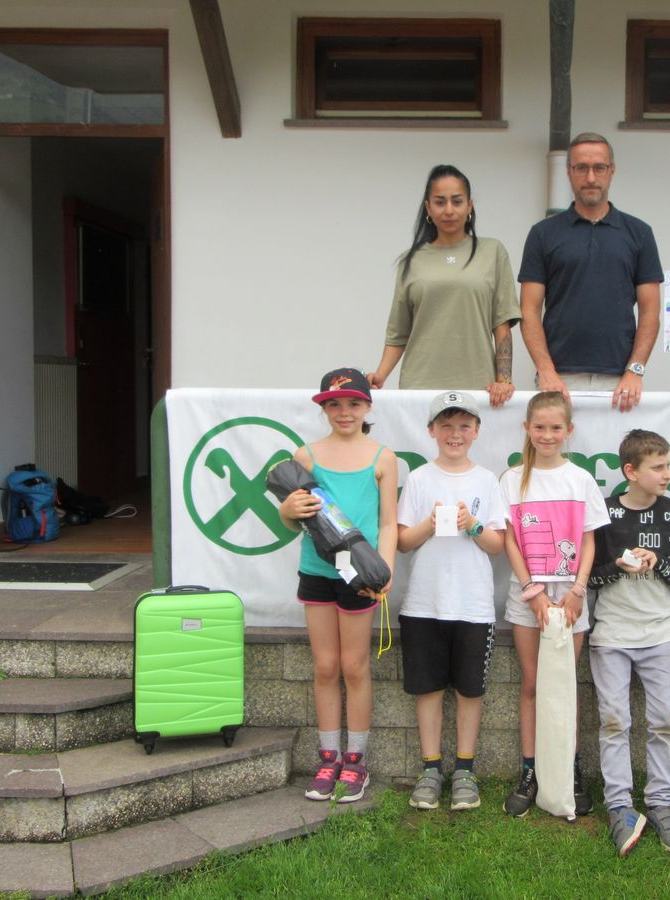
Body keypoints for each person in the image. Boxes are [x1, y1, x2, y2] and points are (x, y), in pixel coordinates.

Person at [276, 368, 398, 804]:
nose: (344, 412)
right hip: (317, 572)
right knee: (326, 666)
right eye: (334, 404)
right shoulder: (306, 455)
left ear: (367, 406)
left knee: (355, 666)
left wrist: (384, 570)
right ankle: (328, 759)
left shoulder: (383, 457)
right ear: (324, 408)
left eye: (353, 403)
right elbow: (293, 521)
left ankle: (356, 761)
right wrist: (287, 510)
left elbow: (388, 522)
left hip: (360, 577)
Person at [499, 391, 610, 817]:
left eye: (556, 428)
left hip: (570, 599)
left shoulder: (580, 479)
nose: (547, 435)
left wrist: (578, 590)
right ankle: (531, 771)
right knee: (533, 683)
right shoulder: (512, 479)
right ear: (527, 428)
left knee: (564, 684)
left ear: (569, 431)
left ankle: (567, 770)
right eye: (540, 427)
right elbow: (510, 540)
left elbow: (588, 540)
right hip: (529, 597)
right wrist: (534, 593)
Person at [396, 390, 507, 811]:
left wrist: (472, 524)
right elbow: (403, 541)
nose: (454, 434)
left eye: (464, 426)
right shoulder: (420, 478)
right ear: (431, 431)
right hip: (423, 605)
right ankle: (430, 768)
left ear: (477, 431)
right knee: (427, 690)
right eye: (446, 425)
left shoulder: (487, 480)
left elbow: (497, 545)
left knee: (469, 691)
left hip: (473, 606)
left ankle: (464, 769)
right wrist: (430, 522)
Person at [587, 429, 670, 856]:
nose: (667, 474)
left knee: (665, 719)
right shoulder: (604, 511)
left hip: (661, 632)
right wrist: (618, 566)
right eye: (658, 467)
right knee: (614, 720)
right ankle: (619, 807)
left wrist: (658, 562)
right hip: (611, 632)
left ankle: (661, 803)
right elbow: (590, 578)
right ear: (631, 471)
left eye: (668, 465)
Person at [518, 133, 663, 413]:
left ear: (612, 170)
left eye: (599, 167)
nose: (591, 177)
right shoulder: (543, 234)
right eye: (581, 168)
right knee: (554, 444)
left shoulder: (639, 233)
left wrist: (635, 370)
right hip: (559, 378)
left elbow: (650, 312)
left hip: (620, 381)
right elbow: (529, 311)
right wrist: (546, 370)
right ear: (569, 172)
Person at [369, 165, 520, 407]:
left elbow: (501, 322)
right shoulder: (411, 260)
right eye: (440, 202)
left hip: (479, 389)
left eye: (457, 201)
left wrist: (504, 379)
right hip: (419, 387)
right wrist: (380, 375)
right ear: (428, 208)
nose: (449, 210)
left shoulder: (492, 251)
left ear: (469, 206)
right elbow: (398, 333)